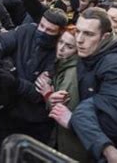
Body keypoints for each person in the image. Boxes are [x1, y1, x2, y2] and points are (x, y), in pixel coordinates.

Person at [0, 8, 68, 158]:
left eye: (49, 30)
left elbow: (39, 94)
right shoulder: (27, 31)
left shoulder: (60, 53)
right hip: (7, 114)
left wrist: (15, 83)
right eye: (41, 26)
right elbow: (2, 42)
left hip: (34, 123)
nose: (42, 31)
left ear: (59, 33)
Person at [50, 8, 117, 162]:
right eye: (78, 32)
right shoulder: (89, 53)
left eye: (88, 34)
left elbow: (114, 126)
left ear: (105, 37)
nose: (79, 40)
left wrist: (73, 120)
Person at [35, 26, 90, 161]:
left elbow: (62, 112)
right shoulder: (63, 65)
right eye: (61, 42)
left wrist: (47, 94)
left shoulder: (71, 73)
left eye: (69, 46)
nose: (61, 48)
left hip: (70, 146)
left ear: (78, 50)